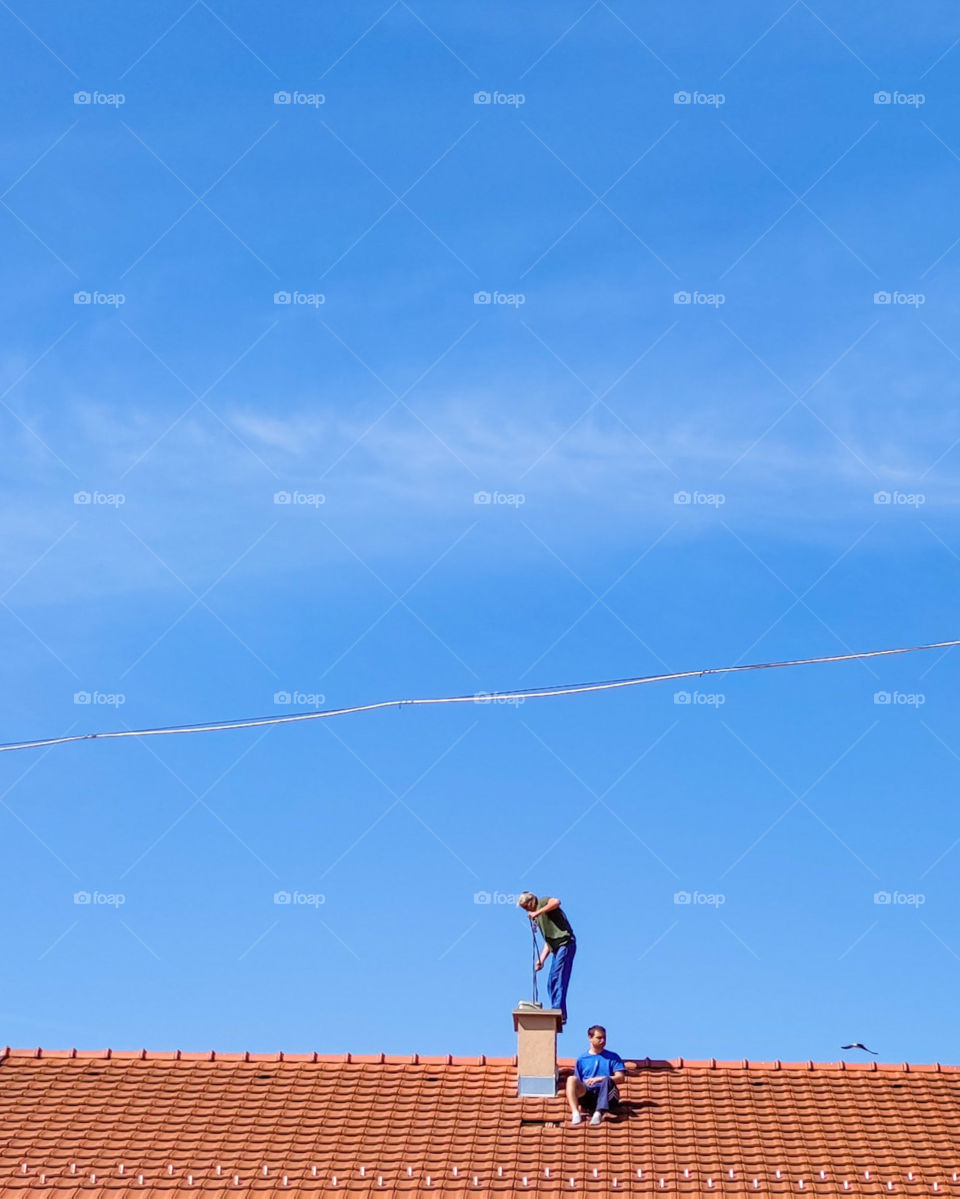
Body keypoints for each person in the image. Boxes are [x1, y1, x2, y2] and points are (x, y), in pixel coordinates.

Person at [517, 892, 576, 1024]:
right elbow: (549, 941)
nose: (526, 911)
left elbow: (556, 901)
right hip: (556, 947)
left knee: (558, 977)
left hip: (565, 943)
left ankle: (558, 1011)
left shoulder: (543, 902)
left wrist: (538, 913)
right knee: (551, 981)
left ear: (532, 901)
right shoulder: (539, 917)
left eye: (526, 907)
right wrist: (541, 960)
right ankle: (560, 1012)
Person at [566, 1025, 626, 1125]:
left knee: (607, 1080)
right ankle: (575, 1113)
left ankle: (599, 1112)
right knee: (571, 1079)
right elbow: (578, 1081)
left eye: (604, 1038)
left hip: (608, 1094)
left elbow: (621, 1078)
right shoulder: (582, 1059)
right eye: (599, 1038)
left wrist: (600, 1079)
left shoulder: (613, 1057)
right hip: (589, 1095)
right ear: (590, 1038)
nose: (603, 1040)